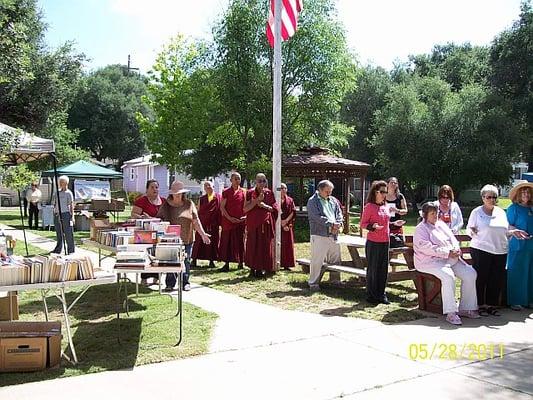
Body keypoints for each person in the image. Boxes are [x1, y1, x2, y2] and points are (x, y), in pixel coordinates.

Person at [414, 202, 479, 325]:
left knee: (470, 273)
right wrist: (447, 252)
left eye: (437, 213)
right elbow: (426, 248)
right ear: (425, 215)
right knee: (449, 276)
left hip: (450, 259)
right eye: (432, 213)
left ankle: (465, 308)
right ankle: (451, 313)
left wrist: (456, 249)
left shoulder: (441, 224)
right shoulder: (420, 229)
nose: (435, 215)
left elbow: (452, 238)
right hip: (429, 262)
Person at [467, 185, 517, 316]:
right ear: (483, 198)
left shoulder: (500, 212)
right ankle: (480, 305)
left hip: (500, 250)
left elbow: (506, 229)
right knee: (481, 277)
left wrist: (514, 232)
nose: (492, 199)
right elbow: (469, 229)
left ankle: (491, 304)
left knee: (495, 279)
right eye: (489, 197)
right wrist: (472, 231)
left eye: (494, 197)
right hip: (481, 249)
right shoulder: (477, 212)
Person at [157, 181, 211, 292]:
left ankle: (185, 283)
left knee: (186, 261)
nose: (177, 195)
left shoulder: (189, 204)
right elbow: (159, 220)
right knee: (171, 261)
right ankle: (170, 284)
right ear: (171, 193)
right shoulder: (166, 205)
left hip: (187, 238)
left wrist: (203, 234)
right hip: (170, 240)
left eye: (179, 193)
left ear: (183, 193)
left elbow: (196, 221)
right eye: (175, 193)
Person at [306, 180, 343, 291]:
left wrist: (338, 223)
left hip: (334, 234)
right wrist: (331, 224)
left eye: (330, 191)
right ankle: (313, 283)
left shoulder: (333, 200)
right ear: (320, 190)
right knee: (317, 260)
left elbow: (339, 213)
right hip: (319, 234)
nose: (329, 193)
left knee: (335, 258)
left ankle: (335, 280)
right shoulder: (312, 201)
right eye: (327, 191)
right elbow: (316, 217)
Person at [361, 180, 391, 305]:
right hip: (373, 242)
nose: (384, 194)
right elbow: (363, 224)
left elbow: (386, 223)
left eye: (386, 192)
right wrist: (372, 226)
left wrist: (394, 224)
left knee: (383, 269)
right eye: (382, 192)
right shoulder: (369, 207)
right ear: (375, 192)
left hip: (385, 241)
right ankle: (371, 295)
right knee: (373, 269)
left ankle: (381, 294)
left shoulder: (385, 206)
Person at [131, 179, 166, 285]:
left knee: (159, 255)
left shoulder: (164, 201)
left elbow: (165, 217)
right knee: (146, 255)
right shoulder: (141, 201)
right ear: (147, 189)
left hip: (159, 233)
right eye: (152, 187)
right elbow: (133, 214)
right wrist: (142, 217)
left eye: (156, 187)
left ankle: (157, 278)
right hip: (145, 233)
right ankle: (144, 278)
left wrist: (151, 218)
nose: (155, 189)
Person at [243, 173, 278, 277]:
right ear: (255, 182)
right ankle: (252, 269)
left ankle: (262, 268)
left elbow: (274, 209)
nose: (262, 183)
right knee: (252, 246)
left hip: (265, 224)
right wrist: (256, 201)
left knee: (264, 247)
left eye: (264, 181)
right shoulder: (250, 193)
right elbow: (245, 209)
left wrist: (264, 206)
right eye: (260, 181)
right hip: (253, 224)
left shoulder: (269, 193)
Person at [506, 182, 533, 311]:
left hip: (531, 245)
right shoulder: (513, 208)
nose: (526, 195)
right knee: (516, 271)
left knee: (530, 272)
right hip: (517, 244)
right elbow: (508, 225)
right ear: (518, 194)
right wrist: (517, 231)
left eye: (528, 192)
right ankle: (515, 300)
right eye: (523, 192)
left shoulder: (532, 208)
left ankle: (529, 300)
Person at [218, 172, 246, 272]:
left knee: (240, 241)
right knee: (227, 242)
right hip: (228, 221)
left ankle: (241, 262)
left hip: (240, 221)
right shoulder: (226, 191)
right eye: (236, 178)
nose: (238, 180)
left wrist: (245, 217)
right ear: (231, 180)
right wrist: (229, 218)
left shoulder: (243, 192)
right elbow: (222, 207)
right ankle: (226, 263)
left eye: (239, 178)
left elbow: (246, 206)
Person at [192, 181, 221, 269]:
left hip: (213, 224)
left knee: (213, 242)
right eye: (206, 186)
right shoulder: (202, 199)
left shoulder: (218, 197)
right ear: (204, 188)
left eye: (209, 185)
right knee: (198, 242)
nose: (208, 187)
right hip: (203, 223)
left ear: (213, 187)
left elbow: (220, 210)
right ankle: (194, 260)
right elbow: (198, 210)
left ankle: (211, 261)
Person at [51, 175, 75, 255]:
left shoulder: (69, 193)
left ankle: (71, 250)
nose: (60, 184)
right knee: (59, 233)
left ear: (66, 183)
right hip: (57, 214)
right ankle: (58, 249)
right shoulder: (57, 192)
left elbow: (71, 205)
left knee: (68, 233)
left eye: (62, 182)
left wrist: (72, 216)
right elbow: (54, 203)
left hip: (65, 214)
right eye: (60, 182)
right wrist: (54, 211)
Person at [280, 183, 296, 270]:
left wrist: (286, 221)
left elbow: (293, 212)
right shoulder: (275, 200)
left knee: (287, 245)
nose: (283, 190)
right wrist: (280, 223)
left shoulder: (290, 200)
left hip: (287, 225)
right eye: (281, 188)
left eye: (285, 188)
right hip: (277, 225)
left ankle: (287, 264)